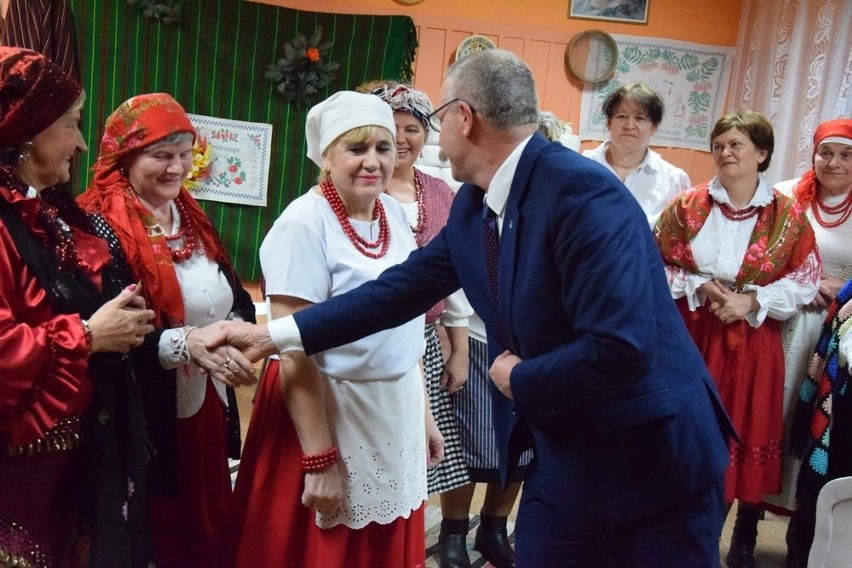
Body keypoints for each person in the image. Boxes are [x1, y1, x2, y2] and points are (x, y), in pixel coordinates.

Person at [216, 48, 734, 567]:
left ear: (464, 117)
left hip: (649, 456)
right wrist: (276, 336)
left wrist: (519, 377)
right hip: (568, 450)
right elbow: (398, 292)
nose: (419, 140)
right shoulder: (474, 203)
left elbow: (622, 347)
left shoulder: (582, 195)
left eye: (437, 119)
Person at [220, 91, 444, 568]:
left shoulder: (395, 218)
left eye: (383, 148)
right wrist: (319, 460)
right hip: (327, 412)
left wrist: (422, 411)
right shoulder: (303, 224)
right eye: (356, 149)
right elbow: (295, 349)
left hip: (393, 409)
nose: (372, 162)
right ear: (326, 156)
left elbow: (405, 324)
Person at [78, 93, 257, 567]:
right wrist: (190, 345)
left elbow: (234, 295)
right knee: (157, 521)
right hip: (145, 408)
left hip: (205, 399)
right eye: (161, 156)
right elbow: (115, 331)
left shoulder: (191, 217)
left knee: (205, 513)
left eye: (184, 154)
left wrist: (235, 333)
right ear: (125, 158)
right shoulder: (100, 227)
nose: (176, 168)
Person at [0, 47, 156, 566]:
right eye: (72, 124)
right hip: (20, 474)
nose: (83, 143)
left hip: (79, 460)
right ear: (28, 128)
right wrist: (87, 337)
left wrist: (185, 342)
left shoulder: (55, 215)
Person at [655, 109, 820, 568]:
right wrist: (701, 286)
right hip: (694, 334)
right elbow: (655, 262)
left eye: (736, 145)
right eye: (719, 145)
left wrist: (750, 302)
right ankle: (676, 538)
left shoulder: (787, 215)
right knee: (688, 435)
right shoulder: (688, 205)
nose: (725, 153)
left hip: (753, 339)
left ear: (762, 153)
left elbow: (807, 278)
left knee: (737, 436)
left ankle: (714, 540)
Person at [367, 82, 480, 565]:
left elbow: (453, 281)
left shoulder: (441, 193)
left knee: (420, 457)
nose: (402, 139)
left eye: (412, 128)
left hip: (424, 344)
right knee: (372, 454)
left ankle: (409, 542)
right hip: (367, 342)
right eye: (391, 130)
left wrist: (459, 350)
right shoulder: (360, 185)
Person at [772, 117, 852, 567]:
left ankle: (800, 535)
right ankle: (746, 525)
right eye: (826, 152)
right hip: (785, 327)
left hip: (837, 342)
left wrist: (844, 289)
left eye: (846, 154)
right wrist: (807, 279)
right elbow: (762, 255)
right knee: (772, 422)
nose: (834, 163)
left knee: (816, 433)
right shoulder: (786, 196)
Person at [583, 82, 691, 227]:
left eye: (640, 118)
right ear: (609, 123)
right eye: (622, 116)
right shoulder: (582, 166)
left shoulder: (673, 180)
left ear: (653, 127)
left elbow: (678, 238)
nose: (629, 125)